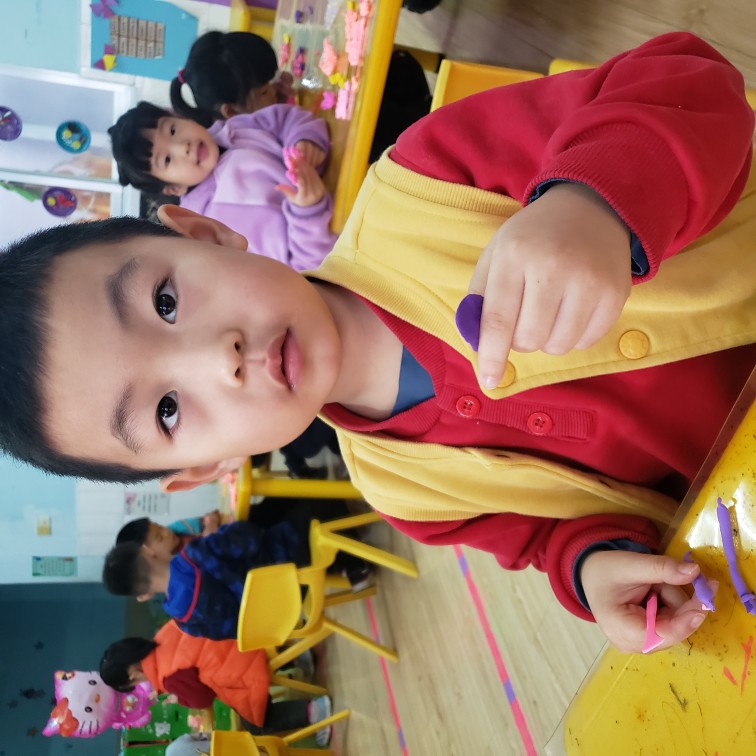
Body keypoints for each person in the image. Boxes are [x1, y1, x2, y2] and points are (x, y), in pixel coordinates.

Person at [1, 33, 754, 655]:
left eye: (164, 301)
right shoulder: (403, 493)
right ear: (200, 469)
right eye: (166, 410)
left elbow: (690, 80)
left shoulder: (426, 184)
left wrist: (590, 200)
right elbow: (542, 536)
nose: (218, 359)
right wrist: (589, 569)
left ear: (206, 231)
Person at [108, 100, 336, 271]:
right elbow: (299, 268)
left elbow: (286, 119)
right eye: (167, 160)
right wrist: (308, 211)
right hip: (346, 247)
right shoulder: (217, 219)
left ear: (181, 117)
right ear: (173, 189)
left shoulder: (232, 129)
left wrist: (304, 139)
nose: (182, 146)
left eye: (172, 130)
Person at [100, 621, 334, 745]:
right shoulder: (164, 632)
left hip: (244, 668)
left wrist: (180, 697)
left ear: (132, 675)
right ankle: (297, 656)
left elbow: (203, 699)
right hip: (247, 638)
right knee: (235, 662)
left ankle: (316, 710)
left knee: (258, 725)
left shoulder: (168, 676)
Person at [102, 520, 303, 639]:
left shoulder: (185, 623)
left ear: (144, 595)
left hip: (288, 610)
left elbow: (236, 631)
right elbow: (250, 536)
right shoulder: (196, 553)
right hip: (295, 562)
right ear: (148, 551)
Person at [170, 31, 294, 128]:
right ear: (231, 111)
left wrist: (285, 103)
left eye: (272, 80)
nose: (274, 90)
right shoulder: (248, 145)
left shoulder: (255, 115)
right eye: (264, 92)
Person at [117, 513, 222, 556]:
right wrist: (211, 526)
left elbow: (213, 515)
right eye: (160, 538)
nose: (167, 532)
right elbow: (208, 550)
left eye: (161, 527)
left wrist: (211, 520)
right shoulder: (177, 566)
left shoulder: (177, 528)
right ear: (150, 555)